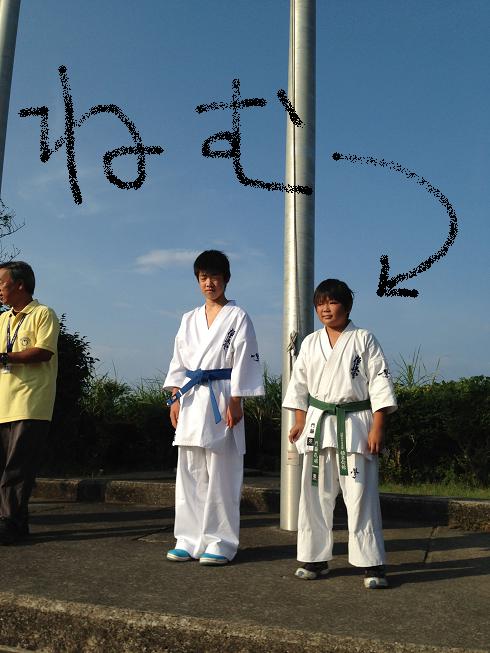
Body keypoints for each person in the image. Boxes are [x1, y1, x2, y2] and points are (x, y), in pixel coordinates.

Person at [283, 279, 397, 588]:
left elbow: (380, 385)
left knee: (360, 496)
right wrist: (298, 419)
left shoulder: (364, 339)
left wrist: (377, 426)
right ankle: (315, 559)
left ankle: (371, 563)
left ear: (346, 306)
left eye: (332, 302)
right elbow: (299, 386)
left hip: (355, 423)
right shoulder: (309, 342)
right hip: (319, 424)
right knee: (315, 496)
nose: (325, 308)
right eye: (320, 303)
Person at [163, 250, 264, 565]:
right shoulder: (188, 319)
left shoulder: (238, 317)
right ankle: (188, 539)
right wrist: (176, 397)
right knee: (190, 472)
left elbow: (245, 359)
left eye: (215, 277)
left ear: (226, 279)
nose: (209, 283)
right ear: (198, 280)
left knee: (222, 472)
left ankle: (220, 541)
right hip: (192, 398)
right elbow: (179, 361)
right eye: (204, 278)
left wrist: (237, 398)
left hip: (222, 396)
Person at [0, 261, 59, 545]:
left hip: (31, 402)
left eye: (2, 283)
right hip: (4, 403)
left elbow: (43, 352)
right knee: (8, 467)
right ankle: (17, 525)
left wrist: (4, 357)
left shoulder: (43, 314)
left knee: (17, 468)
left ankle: (9, 524)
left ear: (19, 285)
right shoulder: (3, 319)